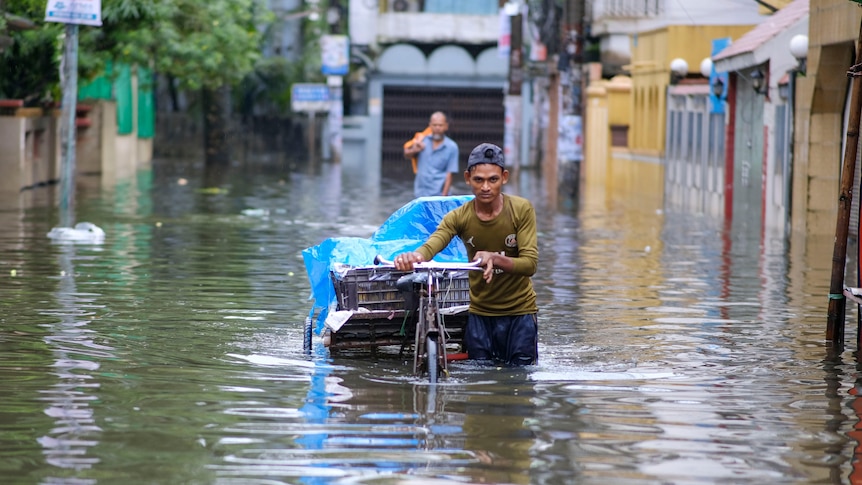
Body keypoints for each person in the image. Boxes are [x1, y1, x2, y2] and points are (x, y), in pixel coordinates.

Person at [393, 143, 539, 366]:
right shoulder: (459, 217)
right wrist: (414, 257)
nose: (486, 187)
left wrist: (494, 258)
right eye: (479, 180)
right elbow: (433, 244)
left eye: (493, 179)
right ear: (468, 178)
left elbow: (530, 264)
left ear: (505, 178)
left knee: (520, 381)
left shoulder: (521, 209)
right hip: (480, 315)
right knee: (479, 379)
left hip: (520, 314)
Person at [403, 111, 460, 197]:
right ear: (430, 125)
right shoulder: (421, 140)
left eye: (440, 125)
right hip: (420, 193)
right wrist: (416, 149)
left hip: (438, 194)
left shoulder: (452, 147)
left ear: (446, 126)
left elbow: (450, 174)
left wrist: (443, 198)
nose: (437, 128)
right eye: (434, 125)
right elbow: (406, 154)